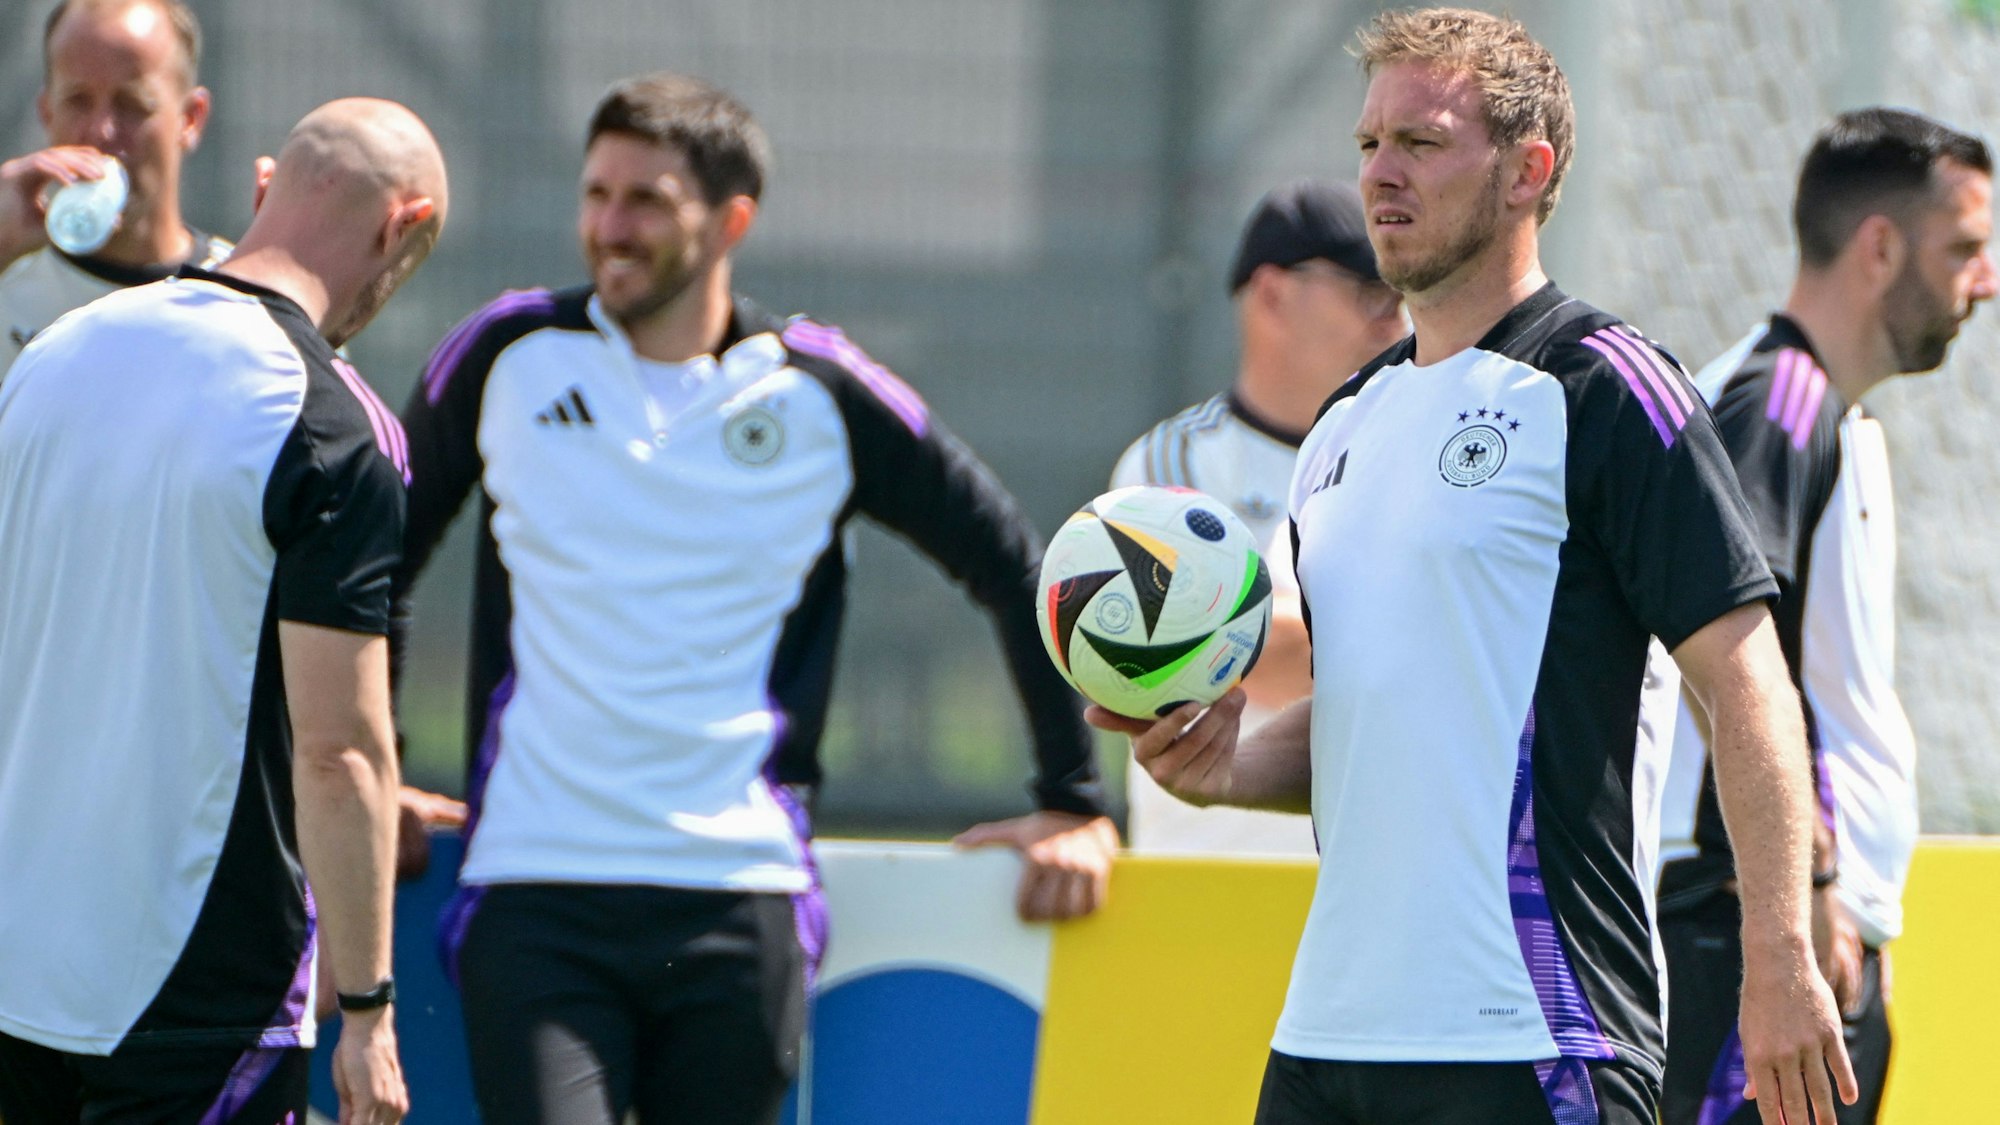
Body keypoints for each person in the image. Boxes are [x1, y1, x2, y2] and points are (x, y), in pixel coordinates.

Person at [1092, 9, 1854, 1124]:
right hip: (1322, 1041)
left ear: (1523, 171)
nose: (1379, 178)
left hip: (1532, 1035)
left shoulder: (1603, 385)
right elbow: (1382, 717)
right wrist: (1230, 770)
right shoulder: (1345, 420)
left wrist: (1777, 951)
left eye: (1419, 143)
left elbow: (1743, 683)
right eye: (1366, 147)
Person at [392, 73, 1116, 1125]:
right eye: (596, 195)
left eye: (646, 200)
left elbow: (1016, 565)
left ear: (731, 220)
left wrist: (1073, 801)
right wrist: (370, 776)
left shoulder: (818, 392)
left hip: (740, 899)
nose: (609, 227)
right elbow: (371, 568)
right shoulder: (505, 355)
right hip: (535, 891)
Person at [0, 97, 446, 1125]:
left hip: (18, 972)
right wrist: (371, 1010)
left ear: (261, 188)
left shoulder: (50, 355)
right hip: (191, 1002)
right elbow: (342, 751)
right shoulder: (333, 421)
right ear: (401, 225)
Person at [1658, 108, 1995, 1125]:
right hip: (1738, 934)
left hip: (1783, 934)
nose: (1981, 283)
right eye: (1965, 250)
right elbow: (1720, 652)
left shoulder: (1814, 407)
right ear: (1879, 246)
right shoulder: (1776, 405)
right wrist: (1802, 896)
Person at [1110, 178, 1404, 855]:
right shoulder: (1176, 461)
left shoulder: (1412, 454)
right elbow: (1217, 645)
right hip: (1206, 886)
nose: (1397, 318)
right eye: (1373, 292)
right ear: (1273, 295)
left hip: (1367, 890)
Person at [0, 0, 229, 377]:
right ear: (46, 112)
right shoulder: (10, 279)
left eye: (132, 103)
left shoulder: (246, 301)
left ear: (190, 119)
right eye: (78, 101)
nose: (101, 132)